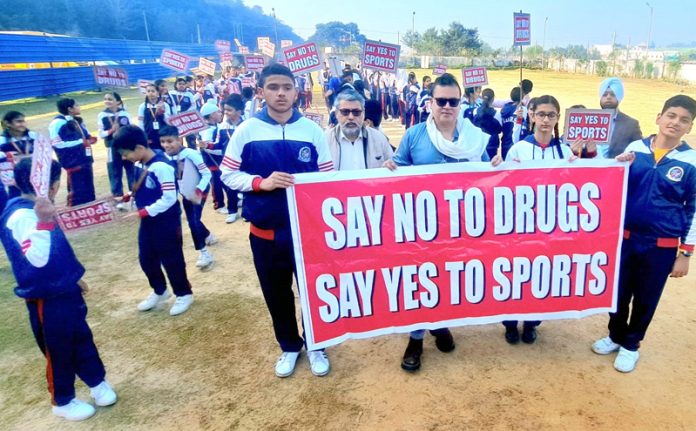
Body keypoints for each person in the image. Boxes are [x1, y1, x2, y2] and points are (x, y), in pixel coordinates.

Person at [220, 64, 334, 378]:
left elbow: (328, 177)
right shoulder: (246, 130)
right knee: (276, 292)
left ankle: (316, 344)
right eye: (273, 87)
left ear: (297, 92)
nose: (280, 93)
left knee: (314, 291)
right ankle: (289, 345)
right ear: (260, 92)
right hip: (265, 232)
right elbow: (228, 173)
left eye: (286, 87)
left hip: (308, 233)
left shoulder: (312, 131)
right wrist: (260, 183)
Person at [384, 73, 490, 372]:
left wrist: (499, 168)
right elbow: (398, 174)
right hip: (422, 228)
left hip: (461, 228)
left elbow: (487, 178)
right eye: (440, 101)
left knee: (450, 279)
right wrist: (389, 170)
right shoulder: (414, 135)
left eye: (452, 101)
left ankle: (440, 325)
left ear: (461, 104)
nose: (446, 106)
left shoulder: (473, 137)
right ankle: (416, 337)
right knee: (422, 280)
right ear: (430, 103)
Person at [0, 158, 117, 421]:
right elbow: (39, 258)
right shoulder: (21, 215)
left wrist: (73, 277)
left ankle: (97, 382)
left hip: (65, 290)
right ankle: (62, 400)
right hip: (46, 297)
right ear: (52, 185)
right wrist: (43, 221)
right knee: (59, 349)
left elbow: (58, 250)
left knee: (81, 338)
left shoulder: (38, 208)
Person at [592, 95, 696, 373]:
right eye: (671, 115)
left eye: (684, 120)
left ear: (690, 127)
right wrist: (618, 163)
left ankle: (631, 344)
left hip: (661, 246)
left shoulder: (691, 161)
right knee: (617, 292)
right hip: (624, 239)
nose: (675, 123)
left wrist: (685, 253)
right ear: (659, 118)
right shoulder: (635, 148)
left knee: (646, 298)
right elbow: (613, 184)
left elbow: (693, 210)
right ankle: (615, 335)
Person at [492, 95, 595, 343]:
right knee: (515, 276)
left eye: (551, 115)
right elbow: (503, 186)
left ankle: (532, 322)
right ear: (532, 115)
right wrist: (495, 167)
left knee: (541, 278)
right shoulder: (518, 149)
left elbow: (587, 179)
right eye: (541, 114)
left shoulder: (565, 152)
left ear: (558, 118)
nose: (545, 120)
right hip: (518, 228)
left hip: (551, 230)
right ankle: (509, 322)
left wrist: (589, 154)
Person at [112, 125, 194, 316]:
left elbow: (169, 198)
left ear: (139, 148)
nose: (125, 158)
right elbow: (144, 188)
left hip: (166, 221)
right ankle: (160, 290)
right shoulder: (141, 163)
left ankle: (184, 293)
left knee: (172, 258)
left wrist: (142, 213)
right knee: (146, 258)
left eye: (126, 153)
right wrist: (127, 197)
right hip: (149, 221)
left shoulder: (161, 166)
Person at [160, 125, 216, 269]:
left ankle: (204, 253)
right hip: (186, 192)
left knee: (193, 221)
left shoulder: (191, 154)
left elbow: (206, 174)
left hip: (199, 190)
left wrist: (199, 189)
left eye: (170, 141)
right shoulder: (165, 157)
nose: (166, 145)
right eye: (163, 142)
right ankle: (207, 235)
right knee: (193, 219)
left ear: (179, 139)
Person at [326, 90, 393, 170]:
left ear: (363, 113)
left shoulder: (379, 139)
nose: (351, 117)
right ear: (336, 114)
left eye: (356, 112)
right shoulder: (325, 141)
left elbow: (393, 167)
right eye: (345, 112)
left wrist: (388, 168)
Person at [49, 98, 96, 207]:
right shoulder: (57, 123)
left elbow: (85, 135)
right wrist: (80, 142)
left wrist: (89, 139)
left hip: (85, 158)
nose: (79, 107)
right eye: (77, 105)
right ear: (69, 108)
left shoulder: (78, 120)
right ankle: (76, 208)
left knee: (88, 185)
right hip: (72, 161)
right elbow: (57, 144)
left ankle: (91, 207)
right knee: (77, 187)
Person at [204, 95, 244, 223]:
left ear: (239, 112)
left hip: (245, 160)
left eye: (229, 110)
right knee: (231, 186)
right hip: (229, 161)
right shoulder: (221, 127)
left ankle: (247, 211)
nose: (225, 113)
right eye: (224, 110)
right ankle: (232, 211)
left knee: (245, 185)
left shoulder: (246, 124)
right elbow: (218, 144)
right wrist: (207, 145)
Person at [97, 92, 135, 208]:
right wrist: (111, 131)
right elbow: (101, 134)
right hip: (111, 147)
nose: (107, 101)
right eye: (106, 99)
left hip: (126, 146)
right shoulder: (102, 115)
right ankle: (118, 198)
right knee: (115, 172)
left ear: (118, 101)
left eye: (110, 99)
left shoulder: (124, 113)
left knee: (131, 171)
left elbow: (130, 129)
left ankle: (134, 196)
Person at [598, 77, 643, 158]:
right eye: (605, 94)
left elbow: (639, 151)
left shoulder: (631, 125)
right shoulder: (589, 120)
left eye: (612, 94)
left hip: (616, 169)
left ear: (619, 97)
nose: (608, 97)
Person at [1, 110, 37, 198]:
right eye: (19, 121)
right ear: (8, 123)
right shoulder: (2, 140)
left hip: (34, 174)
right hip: (14, 177)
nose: (23, 124)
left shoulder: (33, 136)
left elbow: (44, 151)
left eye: (23, 121)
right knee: (17, 199)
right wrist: (6, 155)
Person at [137, 83, 172, 151]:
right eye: (148, 91)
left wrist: (162, 112)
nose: (151, 93)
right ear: (146, 93)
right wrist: (143, 135)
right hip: (149, 134)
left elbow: (168, 121)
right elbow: (141, 122)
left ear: (157, 93)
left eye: (153, 91)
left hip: (162, 134)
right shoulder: (142, 106)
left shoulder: (165, 105)